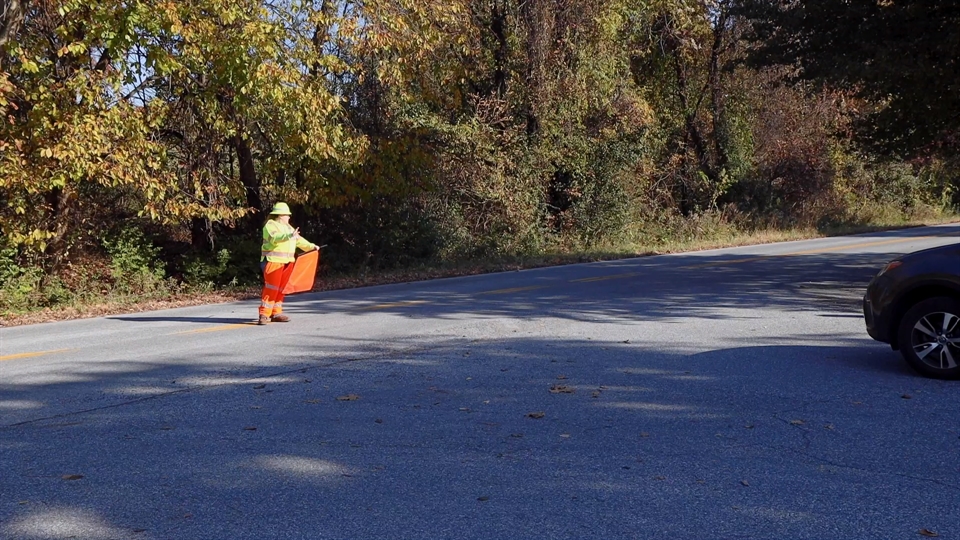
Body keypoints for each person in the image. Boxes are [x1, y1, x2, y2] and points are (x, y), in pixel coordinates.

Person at [258, 202, 318, 325]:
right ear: (280, 215)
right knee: (271, 288)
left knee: (281, 289)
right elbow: (275, 238)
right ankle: (264, 314)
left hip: (287, 263)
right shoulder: (270, 225)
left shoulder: (289, 228)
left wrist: (312, 247)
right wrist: (289, 235)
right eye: (287, 215)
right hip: (273, 261)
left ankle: (276, 313)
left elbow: (299, 241)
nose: (289, 217)